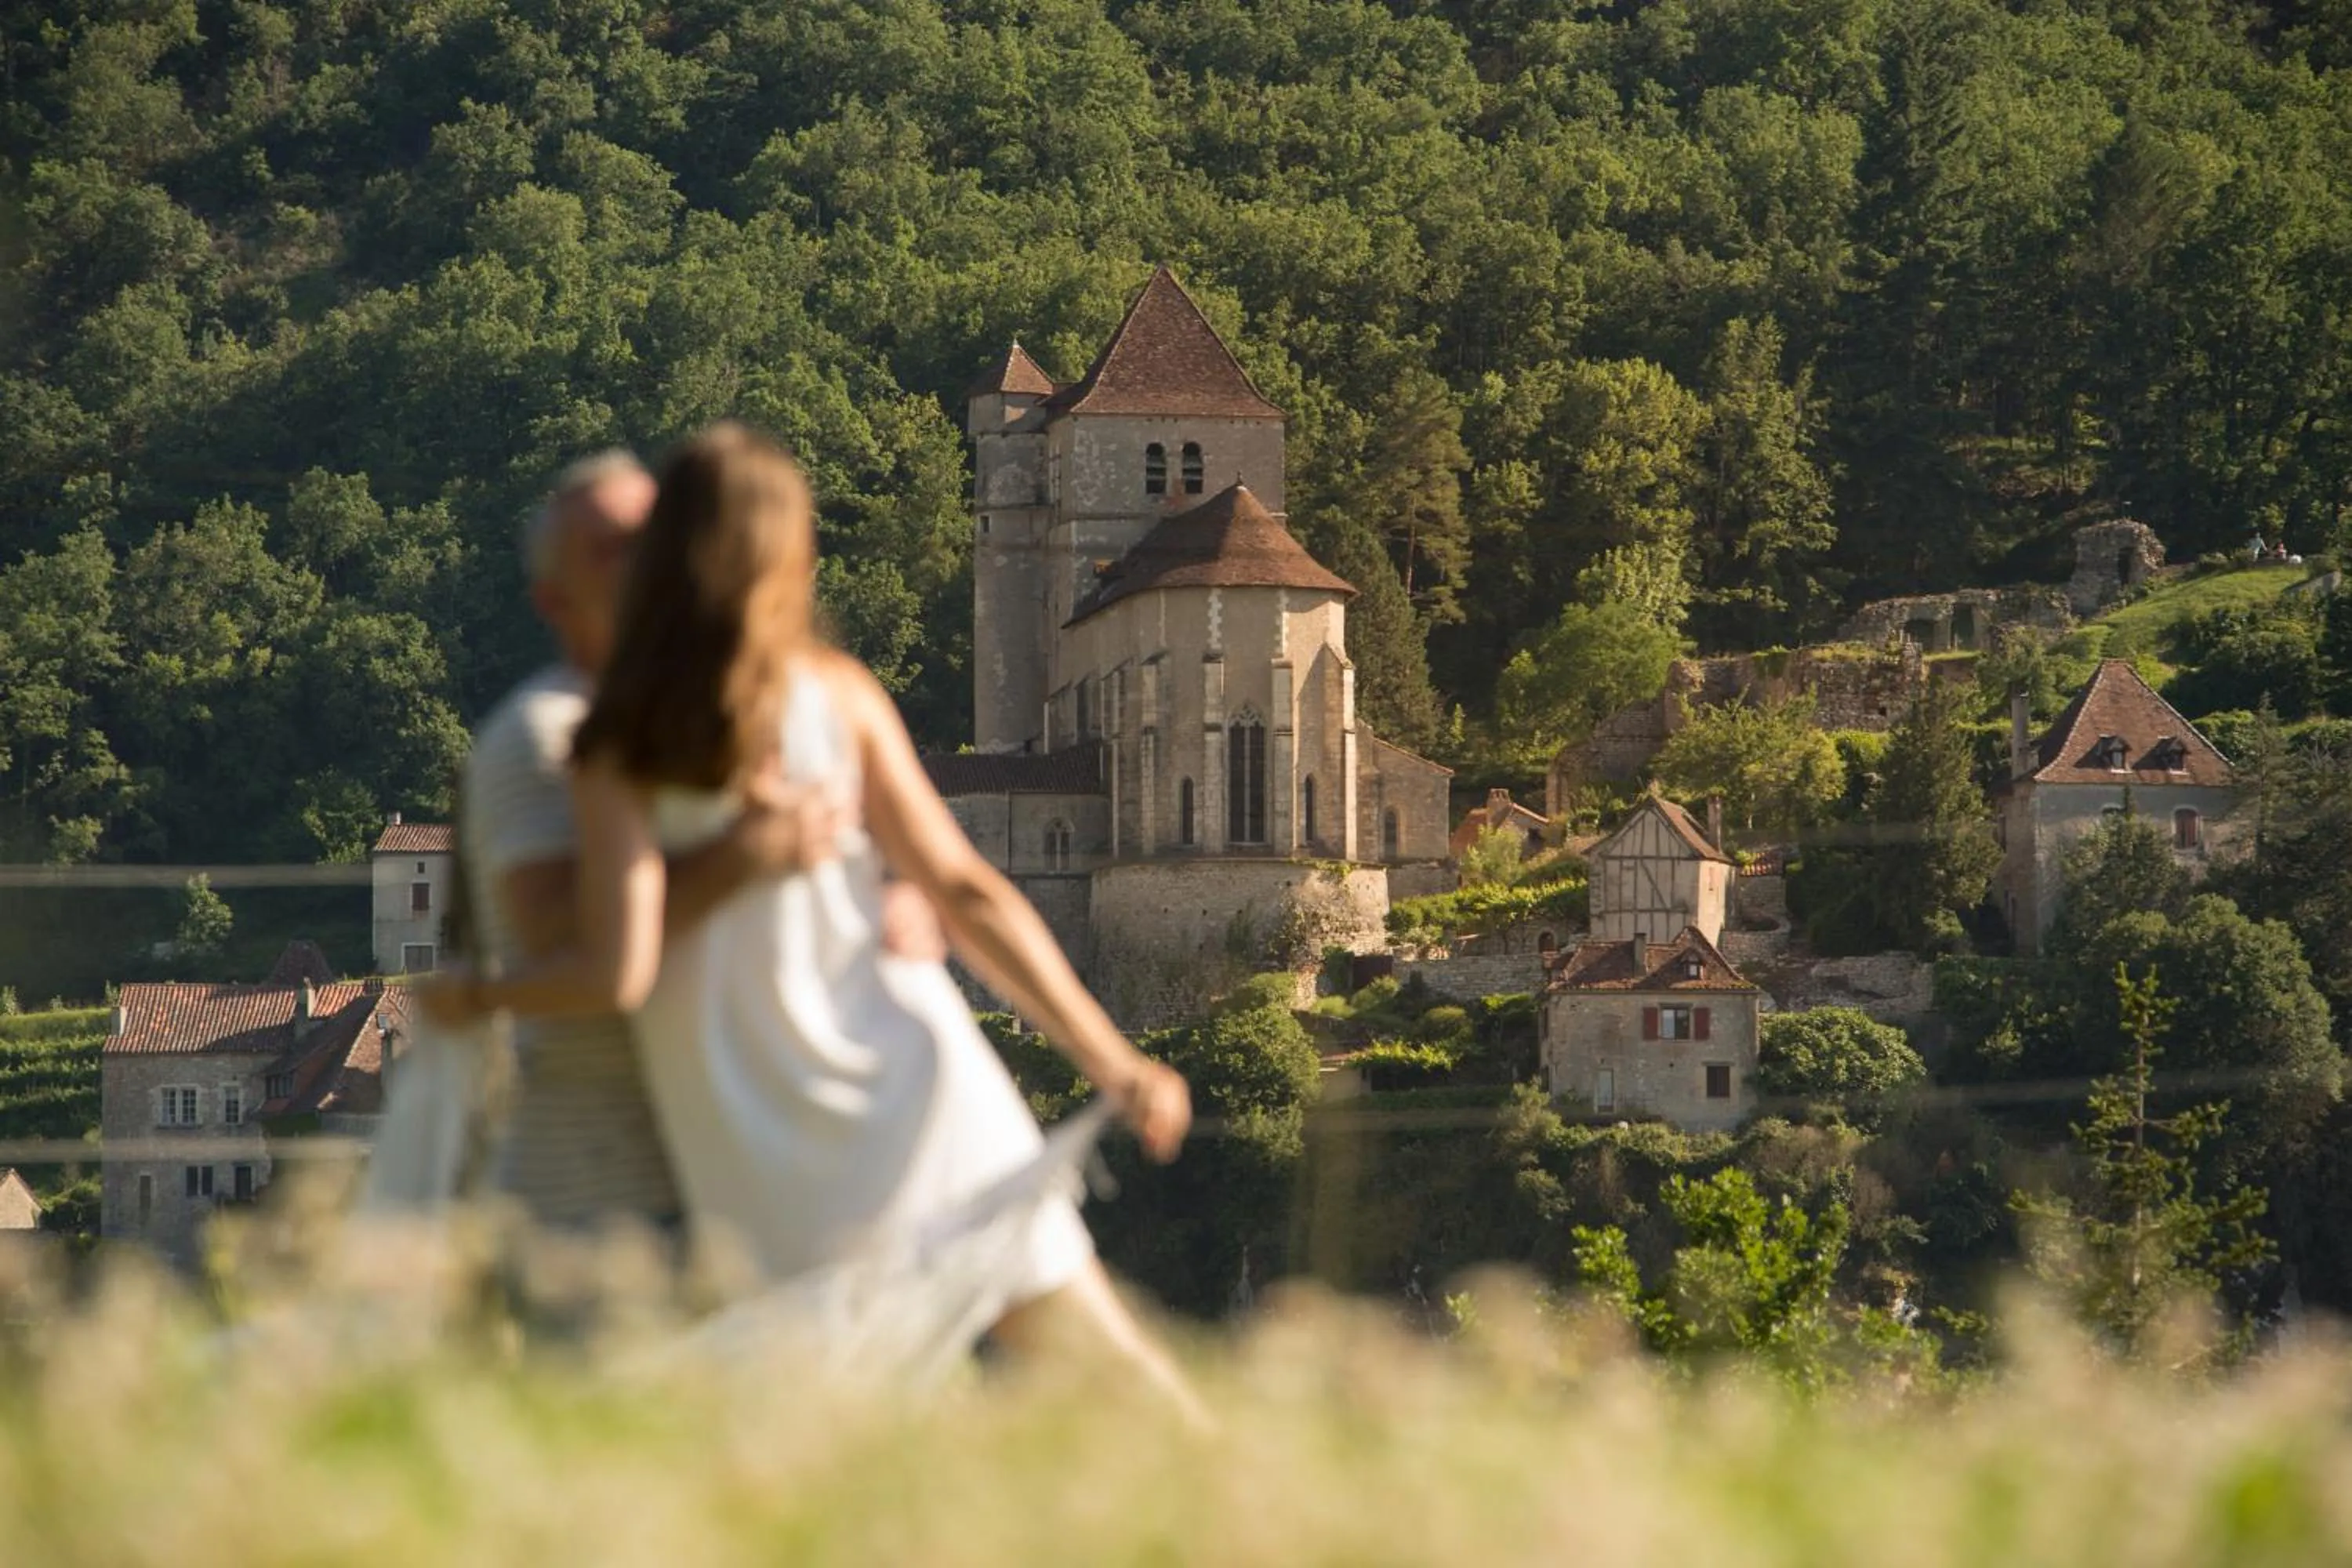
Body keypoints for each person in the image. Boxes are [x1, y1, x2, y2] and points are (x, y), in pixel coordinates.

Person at [427, 426, 1199, 1410]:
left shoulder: (616, 743)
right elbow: (971, 892)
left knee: (825, 1421)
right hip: (919, 1076)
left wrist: (473, 993)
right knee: (1107, 1368)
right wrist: (1115, 1060)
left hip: (757, 1136)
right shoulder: (838, 695)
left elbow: (615, 971)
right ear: (795, 556)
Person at [454, 450, 942, 1236]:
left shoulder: (718, 718)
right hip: (599, 1187)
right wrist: (751, 854)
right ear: (553, 599)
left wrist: (883, 900)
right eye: (611, 549)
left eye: (659, 535)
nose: (650, 563)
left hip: (736, 1158)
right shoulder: (544, 736)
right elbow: (565, 944)